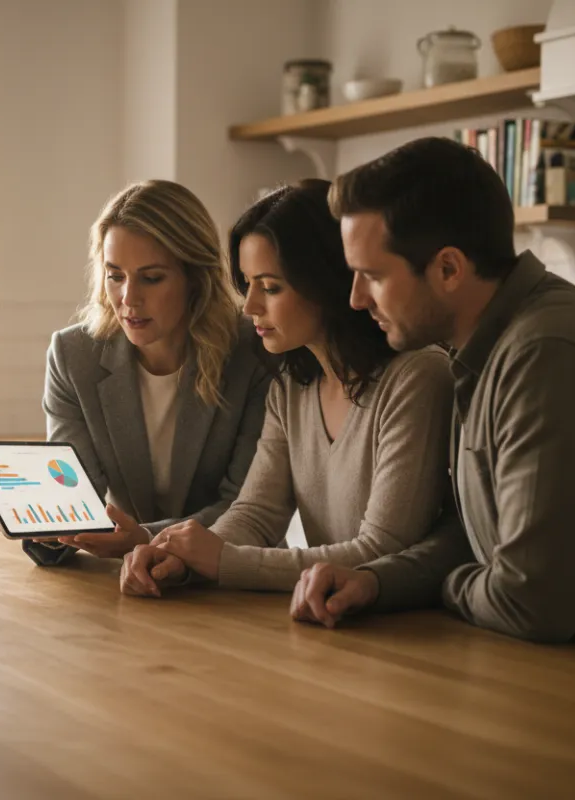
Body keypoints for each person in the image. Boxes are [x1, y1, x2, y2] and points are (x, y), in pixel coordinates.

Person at [291, 136, 575, 663]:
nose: (355, 299)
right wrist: (375, 582)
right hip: (555, 683)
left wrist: (449, 586)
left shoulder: (547, 354)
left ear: (448, 269)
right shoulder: (482, 349)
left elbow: (533, 602)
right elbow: (478, 536)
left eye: (372, 275)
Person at [118, 179, 456, 596]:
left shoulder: (417, 378)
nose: (250, 307)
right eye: (248, 284)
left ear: (326, 282)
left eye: (270, 287)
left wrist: (222, 561)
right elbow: (257, 514)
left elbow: (383, 551)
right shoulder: (292, 387)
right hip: (327, 613)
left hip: (417, 625)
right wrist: (181, 558)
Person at [0, 180, 271, 564]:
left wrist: (145, 538)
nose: (129, 298)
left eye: (151, 277)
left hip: (229, 576)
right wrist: (41, 522)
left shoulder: (253, 352)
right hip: (127, 578)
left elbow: (246, 507)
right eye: (115, 275)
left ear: (196, 278)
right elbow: (76, 499)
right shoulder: (74, 356)